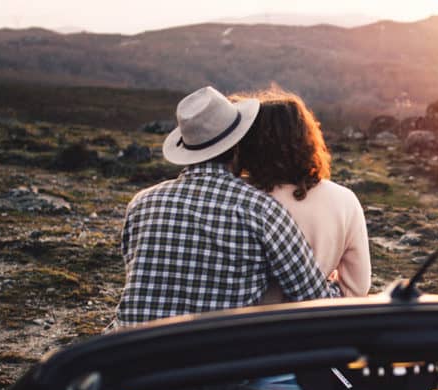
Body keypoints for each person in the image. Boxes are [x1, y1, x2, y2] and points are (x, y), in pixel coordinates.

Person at [114, 86, 340, 328]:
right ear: (237, 146)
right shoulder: (261, 210)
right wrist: (334, 283)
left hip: (130, 353)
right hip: (213, 356)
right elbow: (314, 299)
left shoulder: (142, 202)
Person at [231, 88, 371, 301]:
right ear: (308, 139)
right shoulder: (344, 200)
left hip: (247, 325)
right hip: (307, 323)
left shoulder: (236, 197)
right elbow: (357, 288)